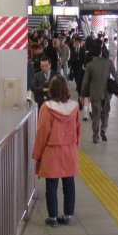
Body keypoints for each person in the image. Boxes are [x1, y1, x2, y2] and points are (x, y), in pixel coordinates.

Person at [32, 75, 81, 227]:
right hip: (69, 149)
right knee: (69, 184)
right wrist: (74, 146)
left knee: (51, 186)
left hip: (52, 151)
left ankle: (52, 217)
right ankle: (67, 215)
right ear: (67, 90)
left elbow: (42, 133)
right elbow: (78, 130)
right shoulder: (74, 107)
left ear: (51, 90)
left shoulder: (47, 108)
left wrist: (37, 154)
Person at [81, 44, 118, 143]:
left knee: (96, 114)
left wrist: (83, 94)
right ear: (101, 52)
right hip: (107, 93)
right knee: (106, 111)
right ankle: (103, 129)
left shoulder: (90, 65)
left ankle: (95, 136)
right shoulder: (108, 63)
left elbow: (85, 81)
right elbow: (116, 75)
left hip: (95, 93)